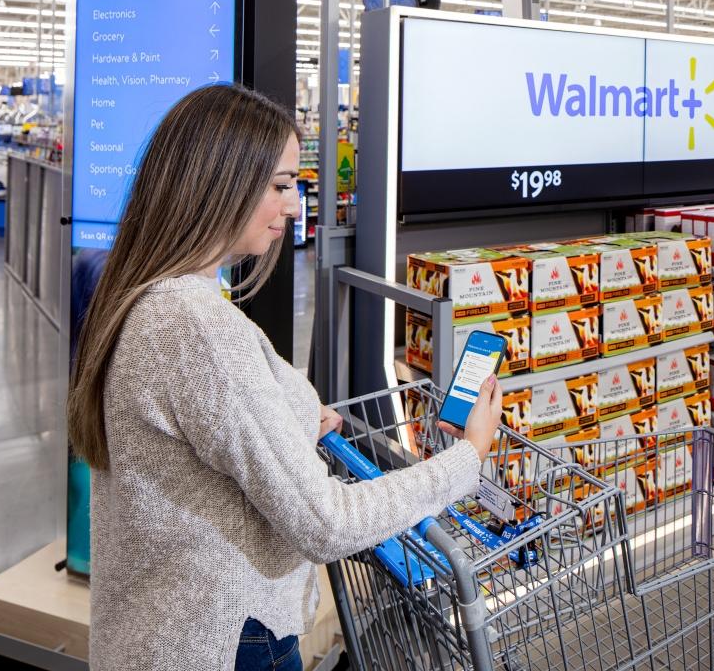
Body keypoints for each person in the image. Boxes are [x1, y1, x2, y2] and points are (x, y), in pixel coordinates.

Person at [67, 84, 503, 671]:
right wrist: (467, 458)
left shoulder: (154, 301)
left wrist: (292, 421)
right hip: (223, 643)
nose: (295, 206)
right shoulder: (195, 327)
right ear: (217, 182)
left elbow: (210, 439)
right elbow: (326, 523)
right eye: (280, 186)